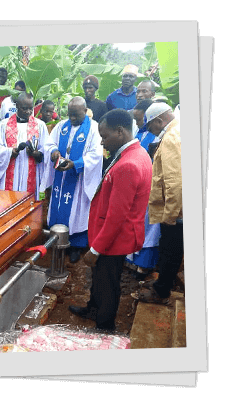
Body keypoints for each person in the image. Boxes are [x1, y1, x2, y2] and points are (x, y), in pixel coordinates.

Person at [70, 109, 153, 331]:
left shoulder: (128, 165)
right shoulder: (136, 153)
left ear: (120, 131)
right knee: (100, 276)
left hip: (114, 237)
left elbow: (117, 215)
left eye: (105, 136)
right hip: (110, 233)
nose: (102, 142)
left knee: (108, 282)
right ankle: (94, 308)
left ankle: (104, 325)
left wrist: (96, 249)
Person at [42, 96, 103, 263]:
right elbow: (49, 143)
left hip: (79, 180)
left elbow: (96, 155)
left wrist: (76, 164)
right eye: (70, 114)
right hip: (60, 179)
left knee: (78, 212)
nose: (72, 118)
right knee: (58, 207)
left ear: (85, 111)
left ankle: (76, 245)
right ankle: (55, 238)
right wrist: (54, 151)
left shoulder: (94, 129)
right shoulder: (62, 125)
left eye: (76, 114)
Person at [137, 102, 183, 304]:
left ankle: (161, 292)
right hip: (177, 209)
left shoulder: (171, 137)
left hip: (176, 212)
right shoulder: (177, 131)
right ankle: (162, 284)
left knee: (170, 251)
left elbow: (176, 181)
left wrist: (170, 215)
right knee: (169, 249)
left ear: (159, 120)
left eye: (150, 126)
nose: (151, 131)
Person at [125, 99, 161, 279]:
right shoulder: (140, 133)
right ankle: (131, 259)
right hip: (136, 186)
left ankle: (144, 265)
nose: (137, 123)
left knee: (149, 227)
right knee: (135, 223)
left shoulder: (160, 137)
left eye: (139, 120)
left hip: (152, 187)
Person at [0, 92, 47, 198]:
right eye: (24, 108)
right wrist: (9, 152)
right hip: (10, 171)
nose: (28, 112)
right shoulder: (3, 125)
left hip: (31, 172)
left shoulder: (40, 125)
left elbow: (46, 149)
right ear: (17, 106)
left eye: (30, 108)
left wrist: (37, 154)